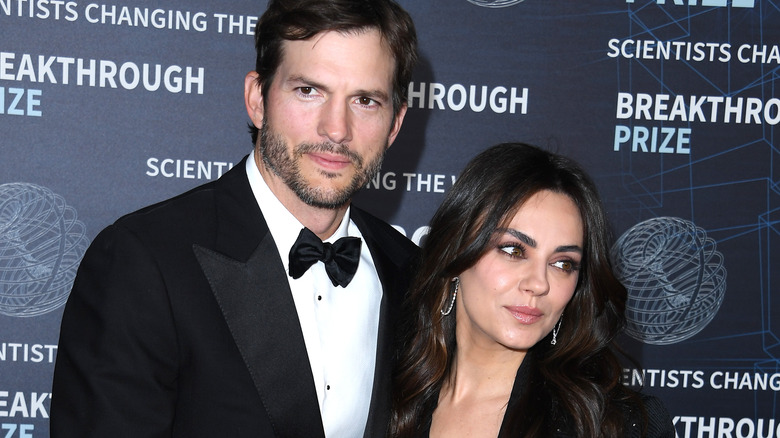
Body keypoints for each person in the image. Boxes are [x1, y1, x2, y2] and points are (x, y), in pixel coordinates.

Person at [50, 1, 418, 437]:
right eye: (308, 91)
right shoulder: (144, 261)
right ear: (257, 99)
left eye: (364, 100)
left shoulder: (410, 272)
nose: (336, 129)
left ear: (394, 123)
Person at [390, 143, 675, 437]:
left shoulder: (616, 424)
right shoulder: (384, 397)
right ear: (455, 254)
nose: (539, 283)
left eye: (563, 263)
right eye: (513, 250)